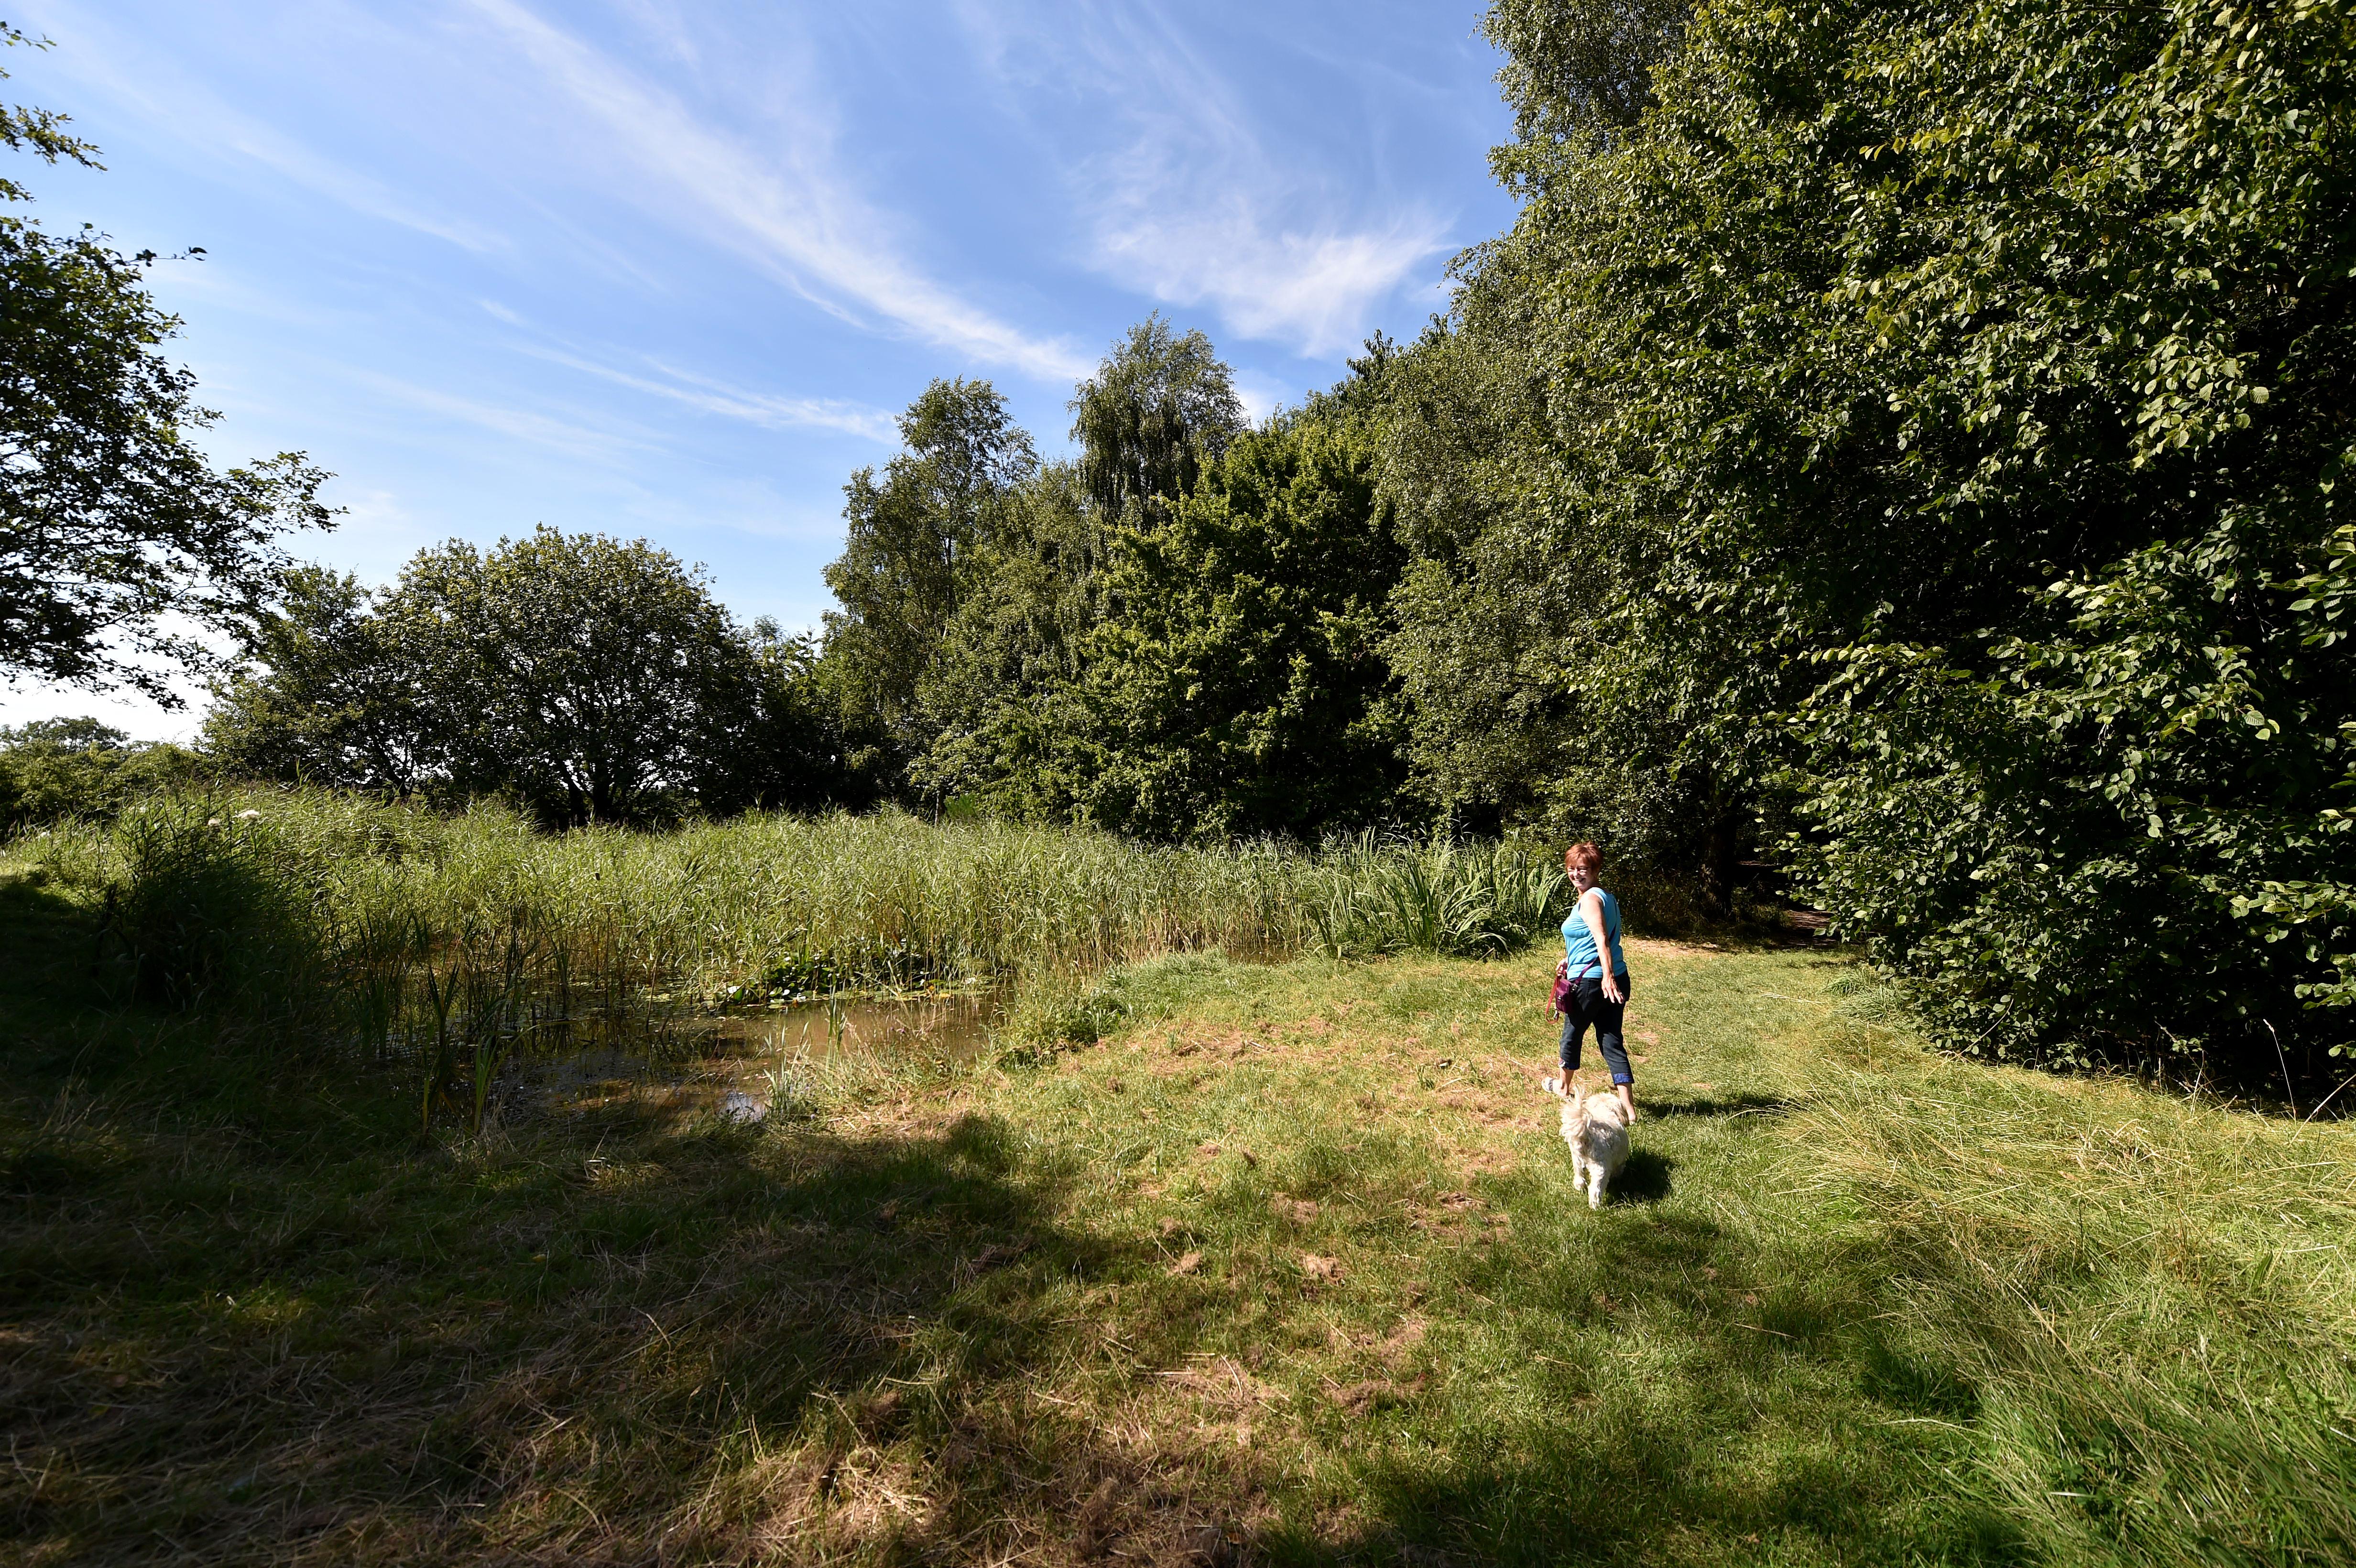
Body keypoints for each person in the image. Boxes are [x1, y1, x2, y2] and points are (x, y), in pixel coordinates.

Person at [1551, 842, 1635, 1122]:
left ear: (1596, 870)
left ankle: (1563, 1087)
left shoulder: (1588, 900)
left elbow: (1602, 939)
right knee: (1612, 1040)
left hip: (1594, 982)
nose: (1576, 874)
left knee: (1572, 1034)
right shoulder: (1607, 897)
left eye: (1583, 870)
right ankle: (1629, 1110)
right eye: (1572, 869)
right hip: (1615, 977)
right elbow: (1591, 940)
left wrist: (1606, 977)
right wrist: (1569, 959)